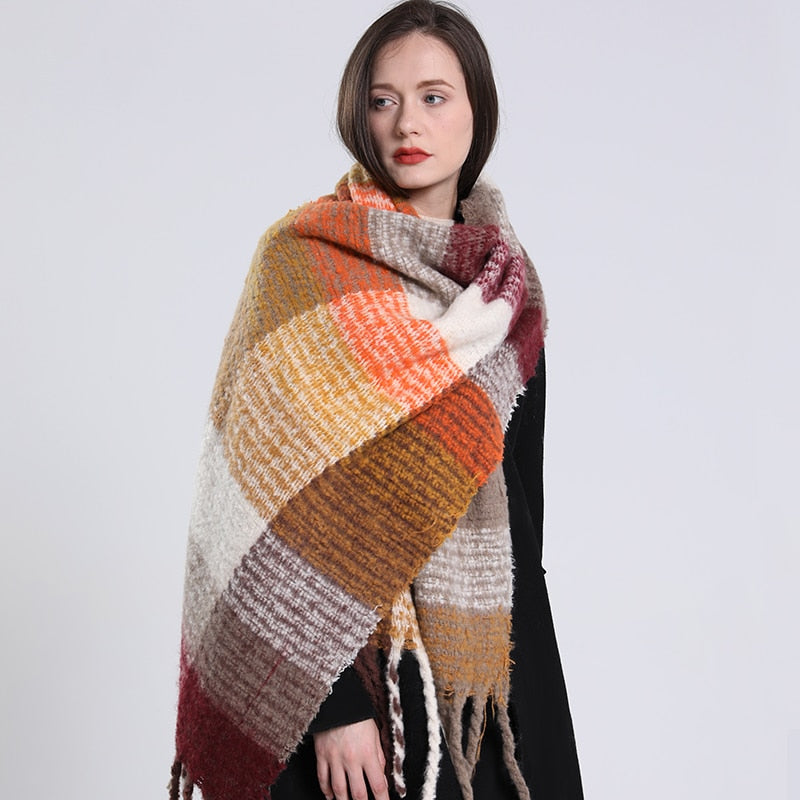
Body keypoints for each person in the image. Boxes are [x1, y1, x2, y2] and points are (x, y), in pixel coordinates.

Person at [169, 2, 583, 799]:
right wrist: (334, 706)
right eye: (383, 100)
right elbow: (258, 503)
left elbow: (522, 505)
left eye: (434, 97)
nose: (406, 123)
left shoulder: (508, 291)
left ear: (477, 110)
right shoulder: (301, 265)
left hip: (485, 675)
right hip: (350, 671)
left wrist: (533, 702)